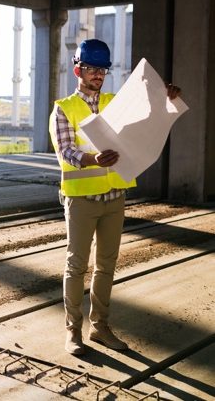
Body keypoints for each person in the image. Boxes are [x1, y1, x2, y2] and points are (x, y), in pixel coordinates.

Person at [49, 39, 181, 356]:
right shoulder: (64, 108)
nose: (98, 74)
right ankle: (73, 332)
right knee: (77, 266)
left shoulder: (113, 102)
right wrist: (93, 160)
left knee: (106, 266)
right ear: (78, 69)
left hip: (114, 196)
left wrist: (166, 99)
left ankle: (100, 327)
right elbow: (66, 151)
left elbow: (146, 119)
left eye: (103, 69)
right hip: (81, 200)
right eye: (92, 68)